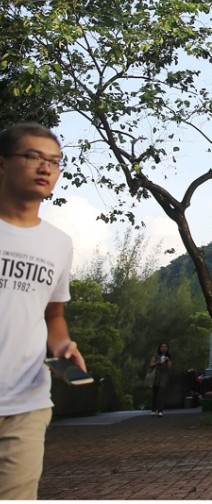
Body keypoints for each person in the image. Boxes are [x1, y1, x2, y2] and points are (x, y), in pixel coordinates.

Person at [0, 123, 85, 500]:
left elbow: (53, 316)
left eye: (54, 161)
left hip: (27, 402)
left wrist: (63, 346)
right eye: (33, 156)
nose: (45, 168)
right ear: (3, 164)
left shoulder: (58, 243)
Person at [149, 342, 173, 417]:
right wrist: (158, 362)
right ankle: (153, 410)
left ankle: (160, 410)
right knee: (155, 392)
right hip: (156, 374)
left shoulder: (168, 356)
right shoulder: (156, 355)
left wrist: (167, 361)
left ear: (167, 348)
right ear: (160, 348)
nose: (163, 348)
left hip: (164, 374)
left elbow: (169, 367)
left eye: (165, 347)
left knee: (161, 392)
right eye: (162, 347)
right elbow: (151, 364)